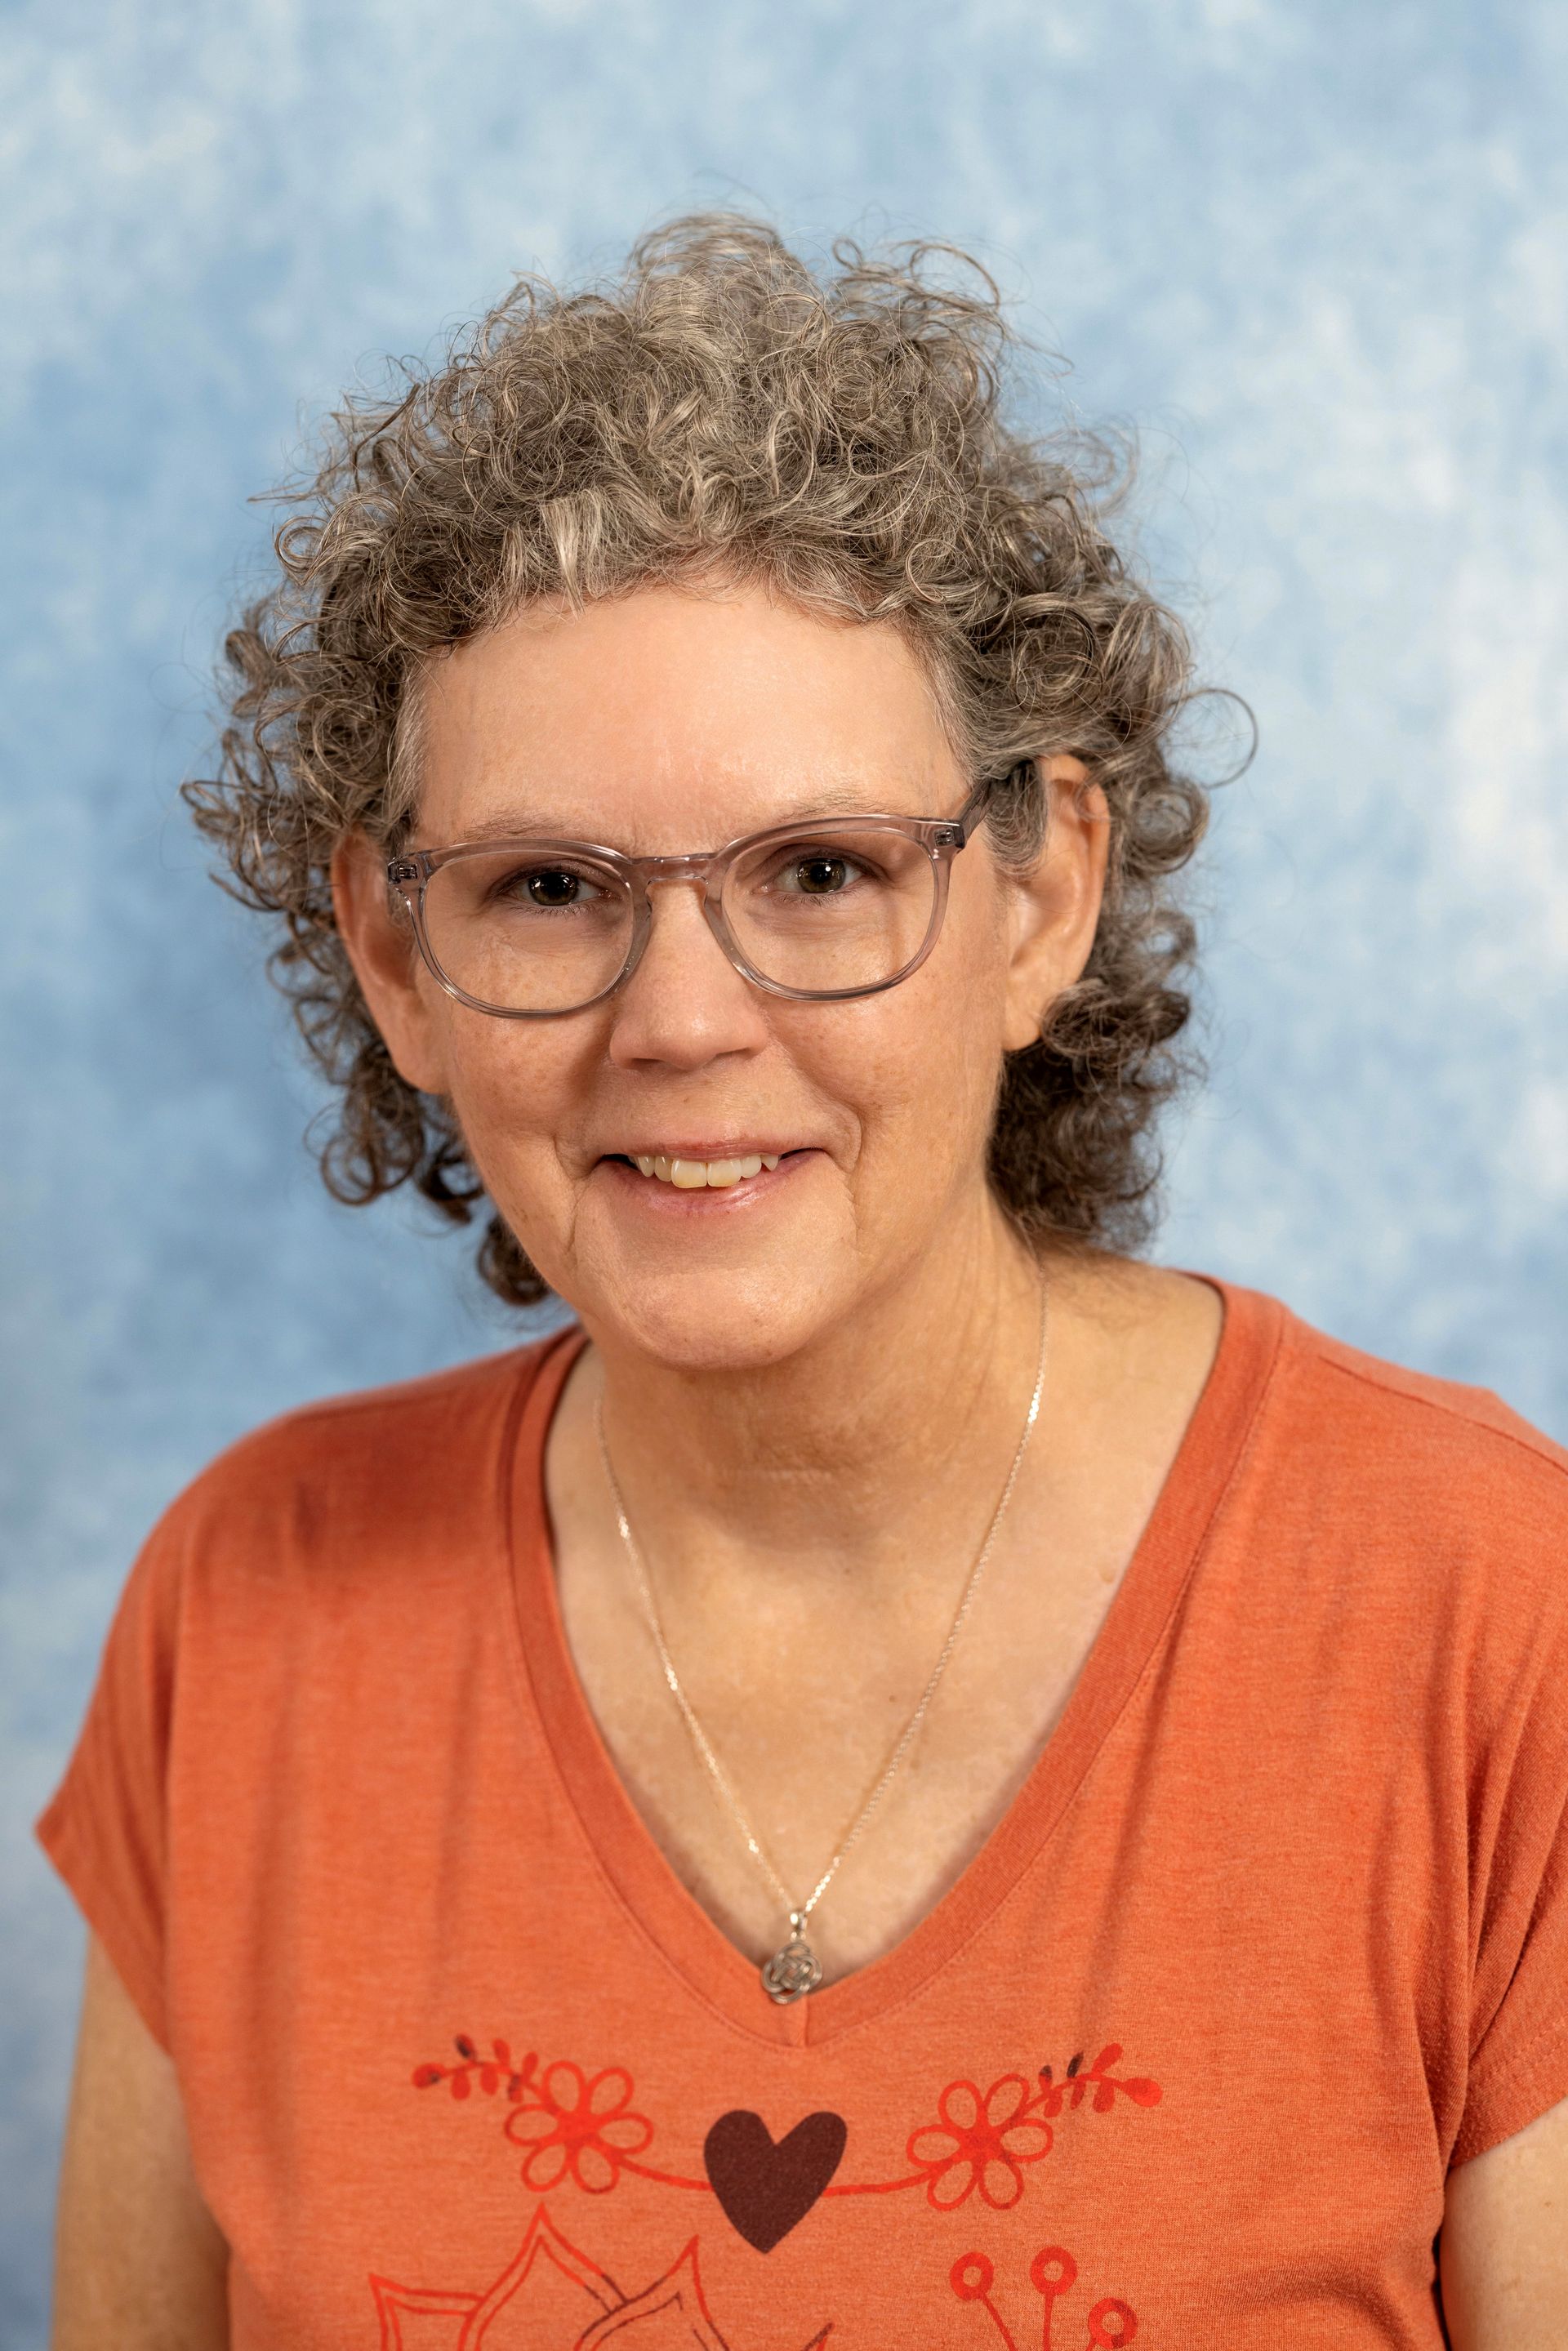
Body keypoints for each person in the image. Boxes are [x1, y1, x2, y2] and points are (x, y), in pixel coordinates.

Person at [38, 217, 1568, 2349]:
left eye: (821, 872)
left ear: (1042, 891)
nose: (682, 1019)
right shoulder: (250, 1615)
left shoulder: (1484, 1611)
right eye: (552, 888)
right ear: (397, 957)